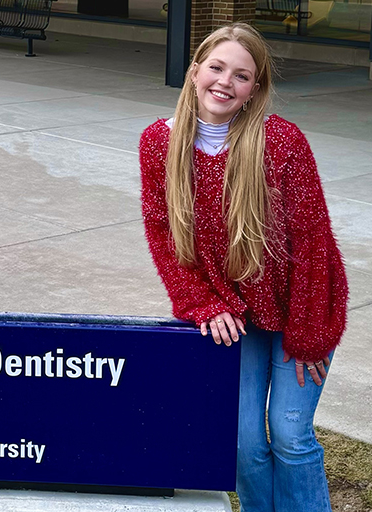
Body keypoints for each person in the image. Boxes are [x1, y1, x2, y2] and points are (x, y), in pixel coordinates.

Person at [138, 23, 348, 512]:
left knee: (291, 437)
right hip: (235, 313)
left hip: (303, 309)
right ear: (194, 72)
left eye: (241, 75)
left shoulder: (280, 142)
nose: (225, 82)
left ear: (255, 89)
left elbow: (314, 242)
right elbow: (164, 233)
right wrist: (201, 301)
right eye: (216, 68)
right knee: (244, 441)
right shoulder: (159, 143)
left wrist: (312, 333)